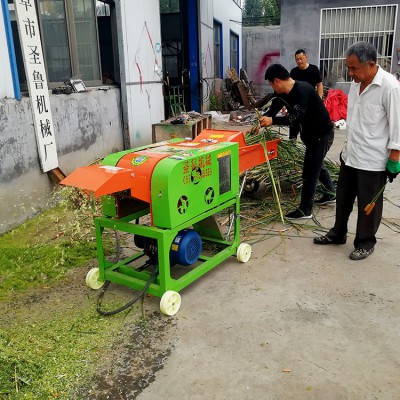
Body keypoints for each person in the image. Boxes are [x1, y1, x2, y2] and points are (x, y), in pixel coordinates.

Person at [313, 41, 400, 261]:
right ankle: (338, 233)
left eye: (354, 68)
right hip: (350, 154)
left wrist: (395, 157)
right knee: (343, 199)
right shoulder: (355, 83)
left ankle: (365, 242)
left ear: (372, 64)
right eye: (348, 67)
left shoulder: (390, 87)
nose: (349, 73)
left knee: (367, 205)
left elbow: (397, 125)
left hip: (373, 160)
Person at [259, 63, 335, 220]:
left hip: (322, 135)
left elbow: (295, 117)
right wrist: (259, 123)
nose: (272, 88)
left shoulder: (303, 90)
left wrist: (272, 121)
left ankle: (305, 210)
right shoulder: (282, 93)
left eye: (271, 84)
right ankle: (331, 194)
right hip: (310, 135)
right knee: (317, 165)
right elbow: (272, 110)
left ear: (277, 81)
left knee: (310, 172)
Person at [288, 49, 324, 140]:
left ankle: (309, 141)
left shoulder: (314, 69)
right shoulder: (293, 72)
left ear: (306, 57)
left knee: (309, 125)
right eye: (297, 59)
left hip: (310, 102)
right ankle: (292, 140)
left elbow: (319, 84)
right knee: (294, 122)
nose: (299, 61)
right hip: (297, 103)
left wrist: (319, 99)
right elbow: (289, 88)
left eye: (301, 58)